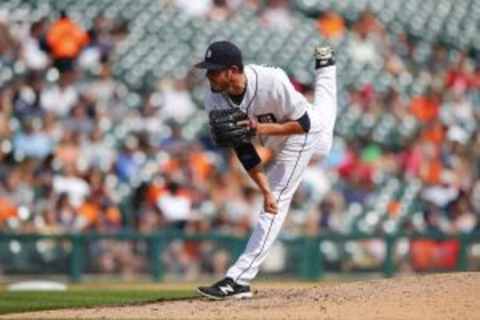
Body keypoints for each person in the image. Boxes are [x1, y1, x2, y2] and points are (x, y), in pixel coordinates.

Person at [194, 40, 337, 299]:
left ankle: (238, 279)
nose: (209, 75)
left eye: (214, 70)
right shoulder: (213, 99)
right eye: (208, 70)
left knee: (277, 201)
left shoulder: (271, 81)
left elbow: (303, 124)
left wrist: (258, 129)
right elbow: (245, 152)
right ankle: (326, 66)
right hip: (277, 138)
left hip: (298, 133)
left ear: (233, 70)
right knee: (324, 117)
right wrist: (264, 189)